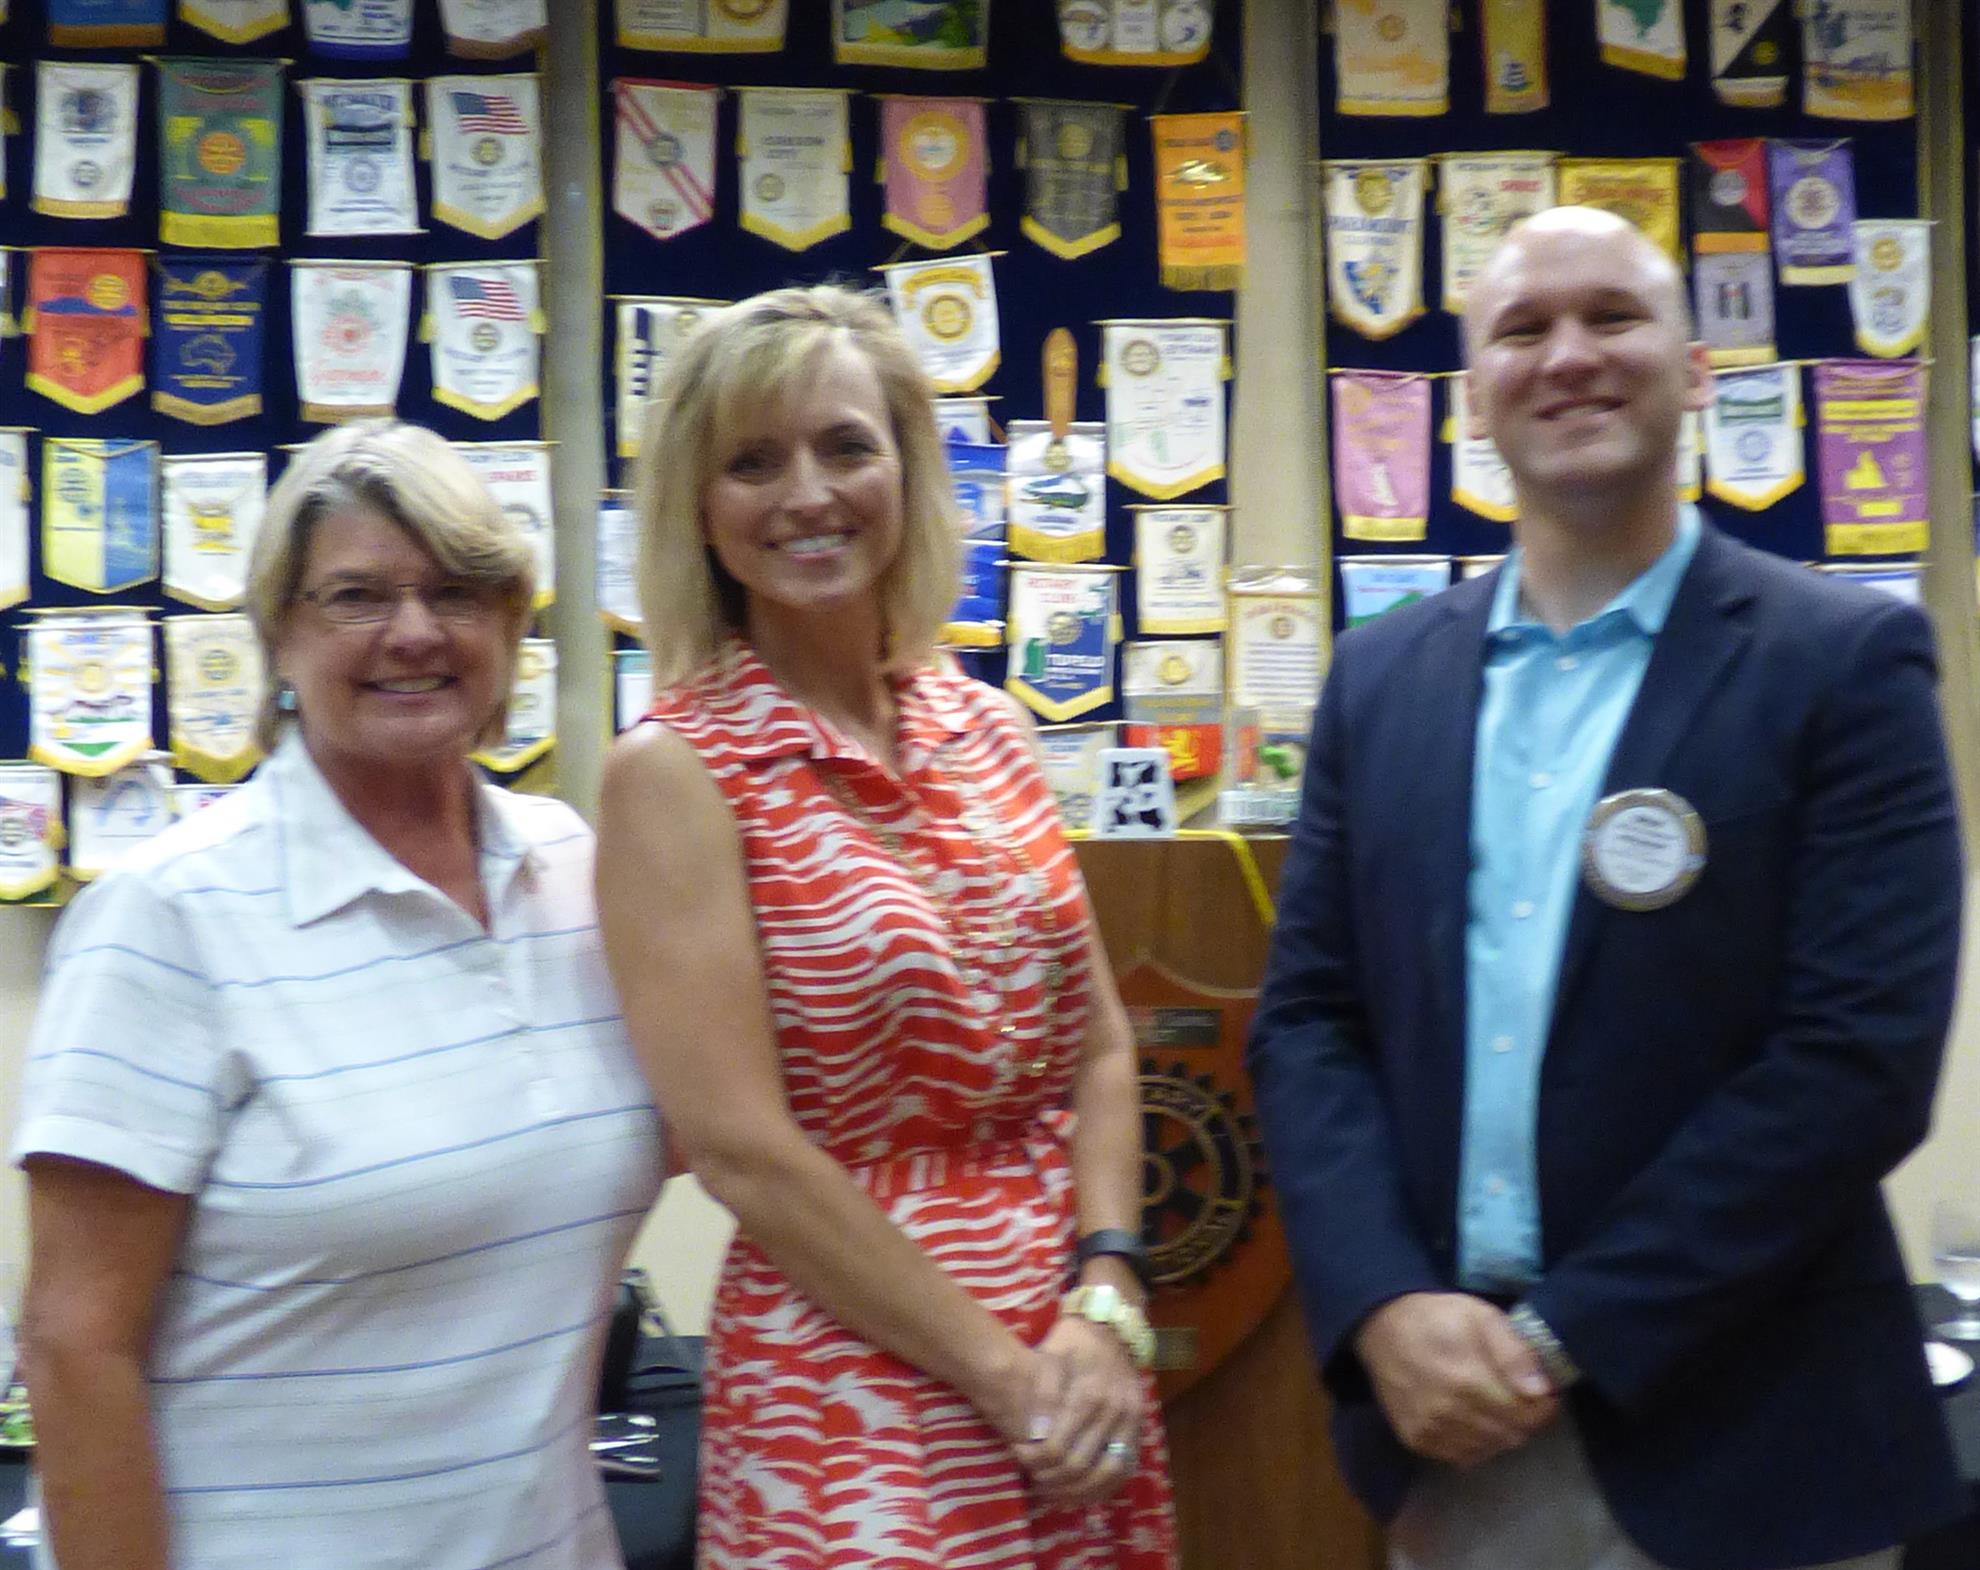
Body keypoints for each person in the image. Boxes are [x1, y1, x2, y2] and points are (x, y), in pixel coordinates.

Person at [1248, 206, 1966, 1570]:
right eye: (1523, 329)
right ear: (1475, 398)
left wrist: (1562, 1334)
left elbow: (1857, 1060)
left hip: (1756, 1439)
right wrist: (1384, 1304)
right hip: (1453, 1441)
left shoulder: (1844, 661)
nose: (1569, 354)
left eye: (1613, 316)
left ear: (1696, 371)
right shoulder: (1379, 679)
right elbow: (1307, 1025)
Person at [14, 420, 665, 1570]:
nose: (414, 631)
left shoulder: (573, 869)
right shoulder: (167, 917)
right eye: (357, 596)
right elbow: (74, 1348)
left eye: (456, 591)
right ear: (279, 632)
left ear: (509, 623)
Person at [595, 284, 1176, 1570]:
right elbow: (743, 1153)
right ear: (699, 507)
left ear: (909, 469)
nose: (808, 494)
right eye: (754, 462)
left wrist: (1108, 1294)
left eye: (846, 446)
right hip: (855, 1390)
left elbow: (1098, 1049)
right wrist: (1004, 1376)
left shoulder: (991, 729)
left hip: (1074, 1365)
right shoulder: (674, 774)